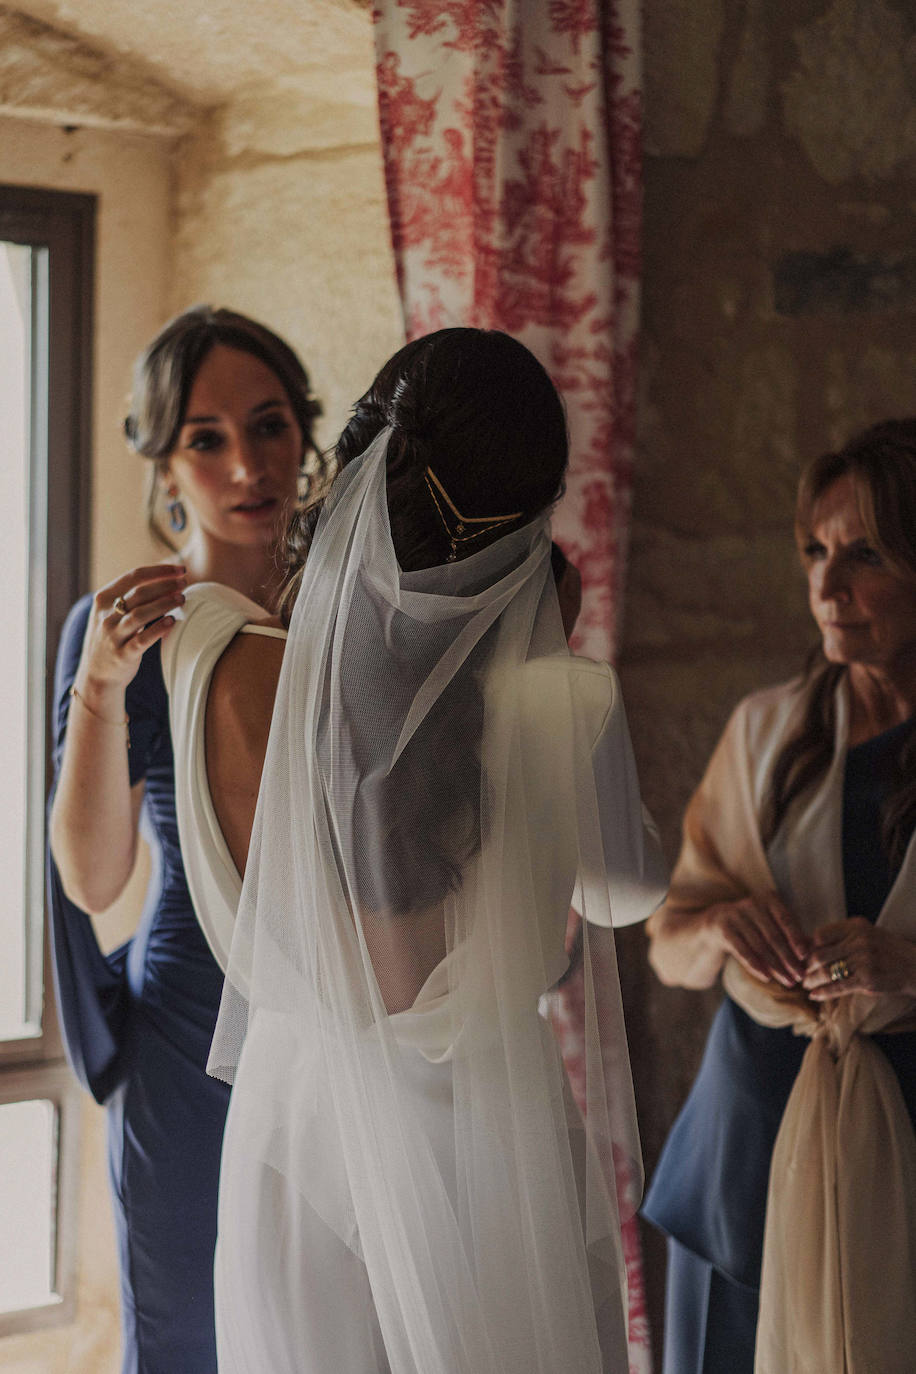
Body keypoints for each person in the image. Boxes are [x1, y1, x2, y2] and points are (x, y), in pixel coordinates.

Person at [160, 326, 667, 1373]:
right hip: (491, 1153)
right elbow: (626, 895)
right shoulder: (557, 700)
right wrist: (556, 663)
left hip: (299, 1146)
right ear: (531, 510)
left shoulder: (221, 662)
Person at [47, 306, 325, 1374]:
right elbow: (93, 875)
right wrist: (103, 688)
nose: (248, 464)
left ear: (306, 434)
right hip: (187, 1033)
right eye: (206, 438)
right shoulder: (122, 625)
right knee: (188, 1337)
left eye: (268, 426)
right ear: (160, 459)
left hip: (346, 1020)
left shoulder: (355, 613)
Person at [643, 418, 916, 1374]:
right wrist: (720, 922)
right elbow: (668, 948)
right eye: (815, 551)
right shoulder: (766, 731)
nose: (826, 586)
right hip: (748, 1160)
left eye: (865, 553)